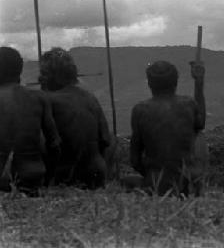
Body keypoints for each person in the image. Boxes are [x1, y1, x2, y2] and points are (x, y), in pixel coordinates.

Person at [127, 59, 207, 196]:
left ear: (150, 84)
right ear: (175, 82)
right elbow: (200, 124)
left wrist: (152, 175)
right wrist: (199, 83)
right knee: (200, 138)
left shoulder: (140, 110)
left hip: (156, 182)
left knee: (126, 181)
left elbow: (135, 160)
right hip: (188, 184)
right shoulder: (189, 104)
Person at [39, 48, 113, 189]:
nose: (40, 78)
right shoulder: (90, 98)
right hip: (96, 175)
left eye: (44, 74)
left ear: (56, 76)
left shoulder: (47, 100)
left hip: (64, 177)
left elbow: (45, 144)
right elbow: (106, 139)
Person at [0, 47, 61, 196]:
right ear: (19, 70)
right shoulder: (39, 98)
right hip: (33, 177)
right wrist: (49, 180)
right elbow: (54, 145)